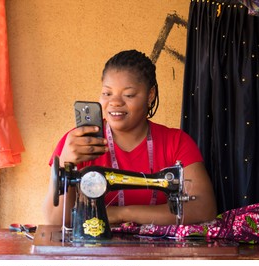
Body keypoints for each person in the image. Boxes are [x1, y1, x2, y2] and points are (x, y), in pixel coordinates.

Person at [43, 49, 217, 226]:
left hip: (158, 253)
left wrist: (122, 214)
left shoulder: (177, 142)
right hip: (95, 252)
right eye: (107, 93)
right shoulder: (78, 143)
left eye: (128, 95)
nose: (115, 102)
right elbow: (55, 221)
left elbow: (204, 209)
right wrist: (65, 162)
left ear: (150, 95)